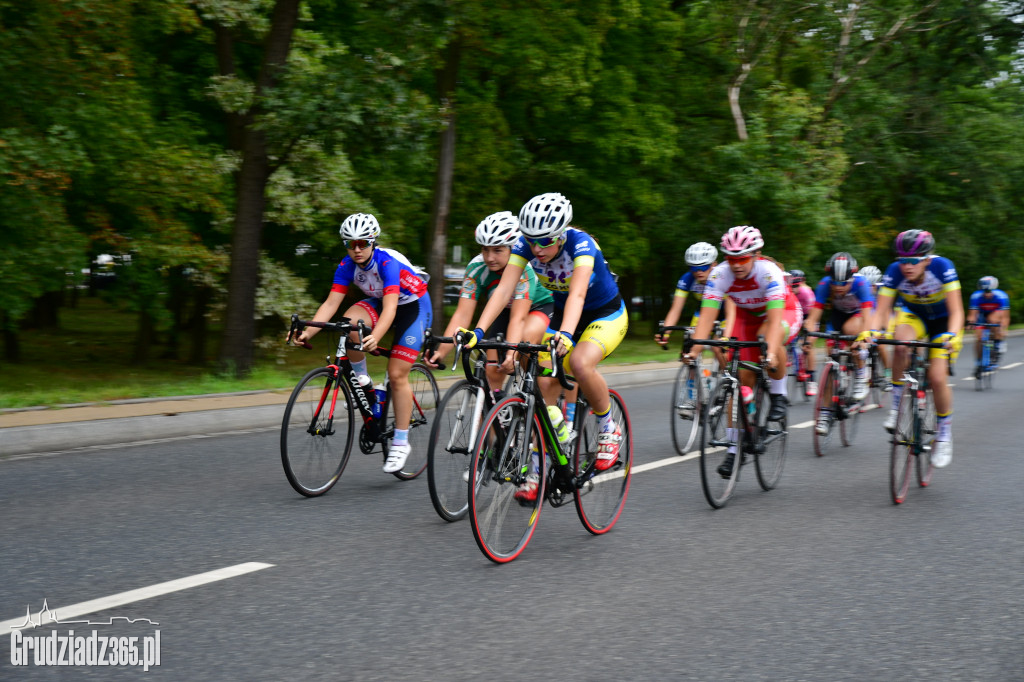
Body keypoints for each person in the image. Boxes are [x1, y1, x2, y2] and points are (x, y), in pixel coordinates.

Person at [460, 192, 628, 501]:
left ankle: (608, 427)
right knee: (539, 383)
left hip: (604, 314)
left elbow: (577, 294)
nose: (538, 249)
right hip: (565, 314)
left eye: (546, 241)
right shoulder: (526, 246)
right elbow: (503, 292)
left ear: (562, 233)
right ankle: (536, 470)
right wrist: (478, 330)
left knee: (579, 362)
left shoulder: (581, 245)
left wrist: (565, 334)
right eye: (532, 240)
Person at [291, 213, 431, 474]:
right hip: (381, 301)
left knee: (397, 373)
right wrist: (308, 333)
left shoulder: (386, 263)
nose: (356, 249)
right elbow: (331, 303)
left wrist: (376, 336)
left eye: (362, 243)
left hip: (413, 305)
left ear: (373, 242)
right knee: (349, 323)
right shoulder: (346, 265)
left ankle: (401, 442)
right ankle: (365, 384)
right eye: (350, 244)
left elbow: (391, 309)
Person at [685, 225, 801, 478]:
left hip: (783, 312)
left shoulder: (768, 273)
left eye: (742, 259)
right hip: (748, 317)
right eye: (731, 259)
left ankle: (779, 396)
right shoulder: (719, 275)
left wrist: (769, 352)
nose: (736, 265)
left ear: (756, 255)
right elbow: (706, 319)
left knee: (770, 340)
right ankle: (734, 449)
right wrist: (693, 350)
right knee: (738, 381)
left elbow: (773, 320)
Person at [862, 229, 963, 468]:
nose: (907, 267)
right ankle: (897, 407)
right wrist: (872, 331)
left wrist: (952, 336)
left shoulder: (943, 268)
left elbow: (957, 310)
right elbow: (882, 310)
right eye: (902, 260)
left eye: (913, 261)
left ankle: (945, 434)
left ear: (927, 259)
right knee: (900, 345)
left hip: (943, 321)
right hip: (913, 315)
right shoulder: (894, 271)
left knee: (937, 378)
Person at [426, 211, 554, 392]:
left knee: (523, 344)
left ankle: (538, 397)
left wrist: (511, 354)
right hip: (504, 310)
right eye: (485, 249)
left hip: (538, 307)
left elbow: (518, 318)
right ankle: (494, 414)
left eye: (497, 250)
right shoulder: (476, 268)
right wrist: (441, 352)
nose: (489, 257)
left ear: (513, 249)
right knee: (492, 371)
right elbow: (462, 314)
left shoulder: (524, 269)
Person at [800, 253, 874, 435]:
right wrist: (808, 338)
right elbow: (814, 318)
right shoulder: (825, 285)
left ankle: (860, 372)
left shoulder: (861, 283)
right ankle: (825, 413)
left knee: (852, 334)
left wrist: (863, 339)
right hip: (837, 318)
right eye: (836, 283)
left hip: (858, 317)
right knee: (830, 360)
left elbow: (867, 317)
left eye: (844, 283)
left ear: (852, 278)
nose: (839, 287)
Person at [655, 241, 735, 345]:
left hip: (727, 315)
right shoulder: (688, 279)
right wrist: (665, 333)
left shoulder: (724, 276)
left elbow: (732, 309)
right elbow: (675, 309)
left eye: (704, 266)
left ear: (714, 264)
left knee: (720, 348)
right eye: (693, 267)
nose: (698, 271)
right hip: (702, 314)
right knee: (689, 348)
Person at [967, 276, 1010, 365]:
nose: (987, 294)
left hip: (996, 314)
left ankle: (998, 343)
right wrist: (970, 323)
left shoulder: (1001, 296)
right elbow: (972, 315)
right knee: (978, 338)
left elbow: (1005, 317)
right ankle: (979, 362)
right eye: (984, 291)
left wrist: (1003, 329)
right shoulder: (976, 296)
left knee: (992, 319)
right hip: (982, 314)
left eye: (989, 291)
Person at [789, 269, 818, 396]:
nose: (793, 288)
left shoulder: (806, 293)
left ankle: (812, 380)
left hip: (809, 317)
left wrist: (808, 333)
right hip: (795, 315)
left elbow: (813, 317)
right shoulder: (787, 292)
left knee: (807, 346)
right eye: (791, 285)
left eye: (796, 285)